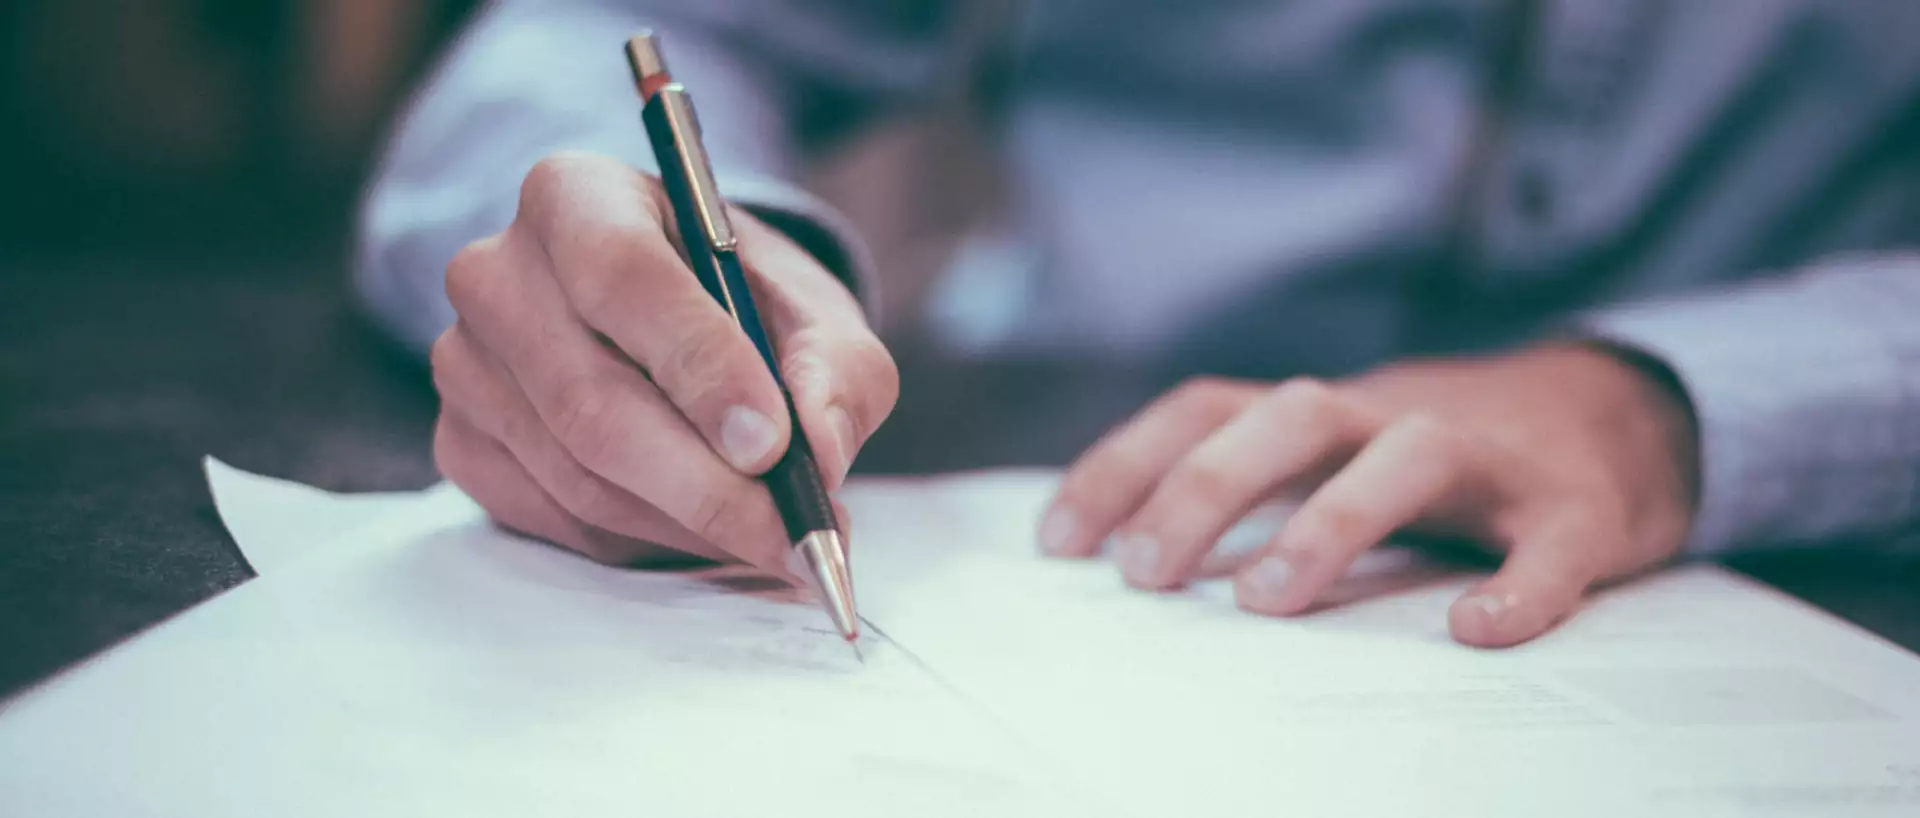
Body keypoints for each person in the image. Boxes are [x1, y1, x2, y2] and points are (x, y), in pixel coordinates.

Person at [355, 1, 1920, 648]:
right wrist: (625, 275)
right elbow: (611, 31)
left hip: (1795, 543)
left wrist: (1672, 399)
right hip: (1067, 496)